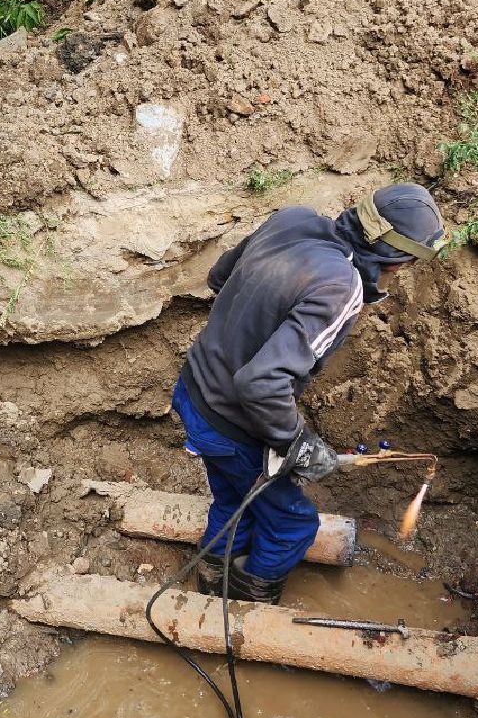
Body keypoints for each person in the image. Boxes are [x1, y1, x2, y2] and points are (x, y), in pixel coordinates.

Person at [171, 183, 448, 604]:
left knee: (232, 499)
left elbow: (218, 277)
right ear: (398, 257)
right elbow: (260, 383)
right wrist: (296, 443)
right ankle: (248, 607)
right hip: (232, 423)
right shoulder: (342, 285)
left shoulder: (293, 219)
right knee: (291, 524)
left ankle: (213, 580)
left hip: (194, 391)